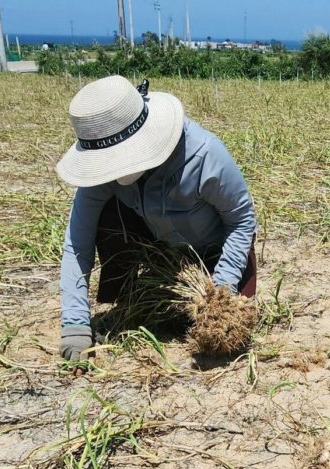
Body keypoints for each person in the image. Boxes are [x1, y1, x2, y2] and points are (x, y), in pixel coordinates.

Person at [54, 75, 259, 362]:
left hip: (215, 253)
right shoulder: (102, 167)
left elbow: (242, 221)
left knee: (228, 332)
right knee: (107, 214)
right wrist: (74, 323)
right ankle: (131, 296)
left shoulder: (204, 155)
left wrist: (220, 293)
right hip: (160, 254)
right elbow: (78, 240)